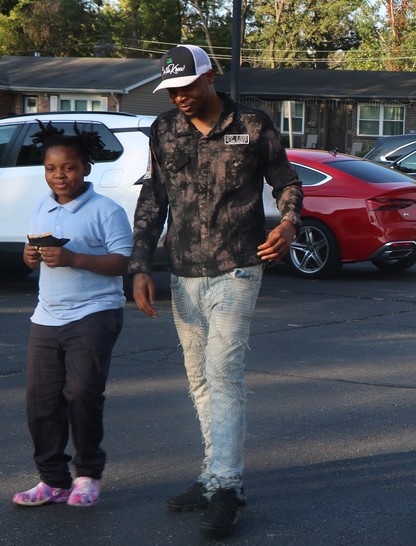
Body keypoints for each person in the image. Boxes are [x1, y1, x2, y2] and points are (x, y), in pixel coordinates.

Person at [129, 45, 302, 537]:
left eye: (187, 87)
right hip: (183, 271)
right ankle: (213, 478)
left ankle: (226, 486)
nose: (179, 97)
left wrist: (289, 223)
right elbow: (153, 198)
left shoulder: (252, 124)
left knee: (223, 373)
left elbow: (286, 181)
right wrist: (141, 264)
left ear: (209, 77)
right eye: (172, 90)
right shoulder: (163, 129)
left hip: (238, 268)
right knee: (199, 378)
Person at [13, 122, 132, 508]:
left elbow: (120, 263)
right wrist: (30, 258)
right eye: (51, 168)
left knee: (81, 393)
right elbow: (37, 257)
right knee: (41, 401)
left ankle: (87, 476)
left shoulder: (106, 210)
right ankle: (52, 481)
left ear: (86, 169)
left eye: (68, 167)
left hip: (95, 313)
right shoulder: (42, 206)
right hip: (46, 316)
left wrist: (73, 258)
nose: (59, 176)